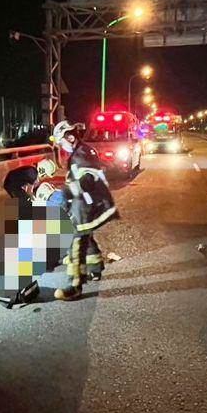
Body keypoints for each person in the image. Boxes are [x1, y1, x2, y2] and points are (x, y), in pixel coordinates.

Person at [51, 120, 118, 301]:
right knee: (85, 236)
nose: (61, 146)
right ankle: (95, 267)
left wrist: (68, 191)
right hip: (90, 203)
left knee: (75, 243)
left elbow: (87, 180)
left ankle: (75, 286)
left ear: (70, 137)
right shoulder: (82, 151)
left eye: (62, 141)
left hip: (87, 206)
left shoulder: (81, 154)